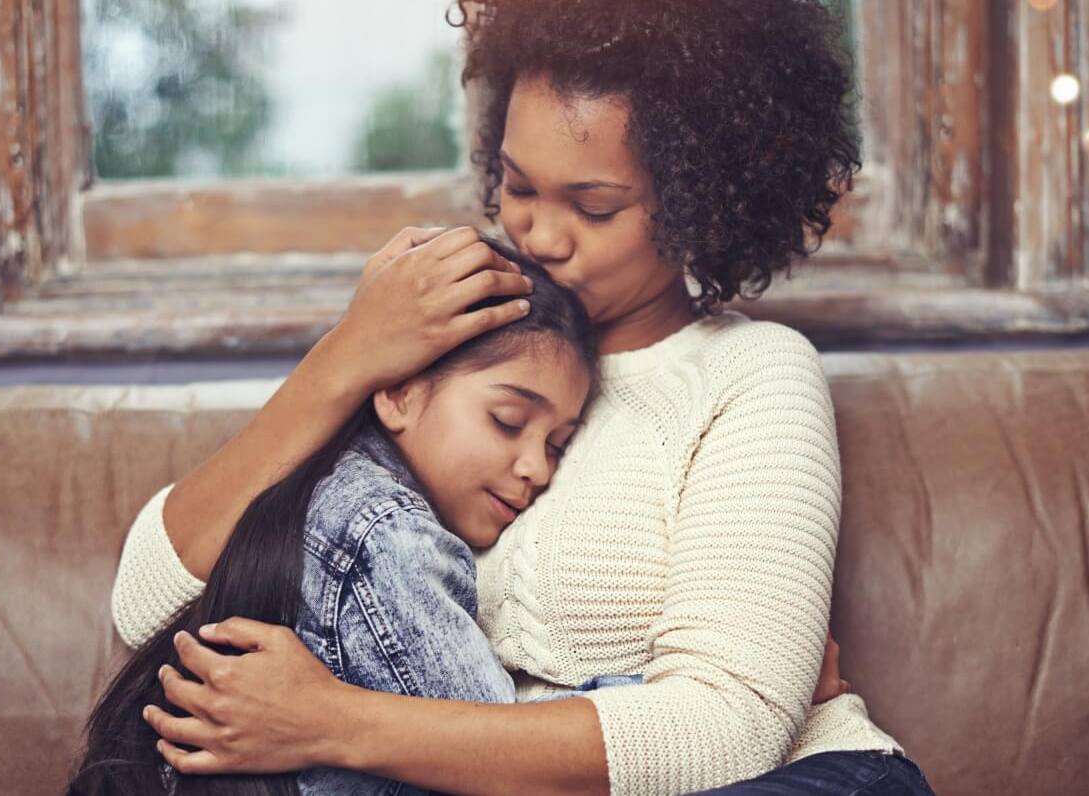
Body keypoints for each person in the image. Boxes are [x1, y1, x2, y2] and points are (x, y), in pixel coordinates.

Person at [111, 1, 936, 794]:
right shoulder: (436, 347)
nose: (539, 234)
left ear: (701, 203)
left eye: (593, 206)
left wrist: (336, 724)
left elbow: (726, 731)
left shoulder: (751, 371)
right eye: (519, 185)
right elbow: (144, 602)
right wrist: (349, 357)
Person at [75, 246, 598, 796]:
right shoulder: (386, 533)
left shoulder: (320, 491)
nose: (537, 468)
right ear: (398, 392)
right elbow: (502, 767)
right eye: (508, 421)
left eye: (559, 444)